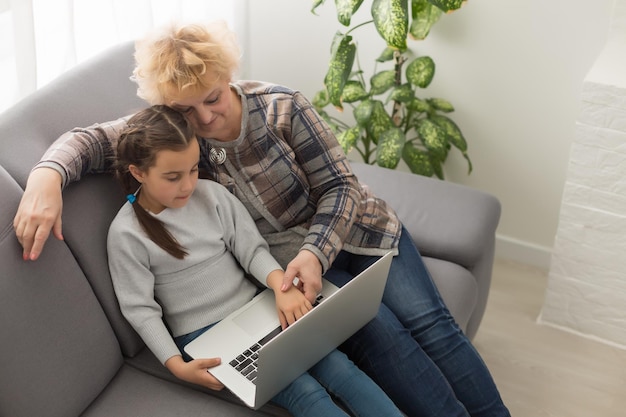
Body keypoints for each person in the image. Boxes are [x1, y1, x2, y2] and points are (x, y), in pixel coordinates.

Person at [13, 21, 510, 417]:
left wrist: (315, 252)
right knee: (385, 337)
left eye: (212, 98)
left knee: (433, 326)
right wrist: (46, 176)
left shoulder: (282, 107)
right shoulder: (174, 141)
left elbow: (342, 188)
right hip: (295, 270)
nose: (205, 120)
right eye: (186, 111)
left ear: (227, 77)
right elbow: (93, 142)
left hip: (359, 233)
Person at [107, 104, 404, 417]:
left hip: (256, 309)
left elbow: (251, 251)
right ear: (138, 172)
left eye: (194, 169)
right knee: (306, 394)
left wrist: (281, 287)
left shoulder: (212, 196)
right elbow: (140, 310)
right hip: (205, 337)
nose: (188, 185)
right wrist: (177, 365)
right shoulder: (126, 234)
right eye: (172, 177)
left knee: (341, 369)